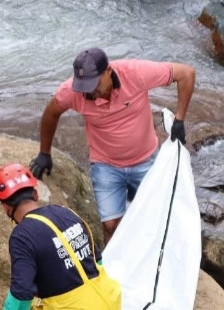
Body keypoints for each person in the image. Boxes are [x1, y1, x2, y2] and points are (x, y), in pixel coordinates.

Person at [29, 48, 195, 244]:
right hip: (105, 165)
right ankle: (113, 270)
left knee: (153, 219)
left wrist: (179, 120)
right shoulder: (73, 92)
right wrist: (44, 153)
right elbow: (51, 113)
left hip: (145, 161)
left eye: (94, 84)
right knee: (110, 225)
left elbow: (186, 73)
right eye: (84, 86)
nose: (90, 91)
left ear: (108, 71)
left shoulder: (135, 73)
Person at [0, 163, 122, 310]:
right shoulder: (65, 212)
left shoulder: (21, 236)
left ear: (5, 206)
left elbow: (22, 292)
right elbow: (97, 259)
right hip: (109, 298)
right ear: (35, 194)